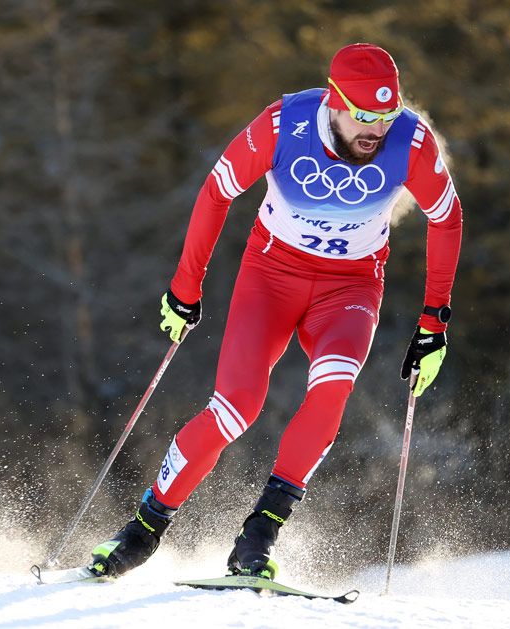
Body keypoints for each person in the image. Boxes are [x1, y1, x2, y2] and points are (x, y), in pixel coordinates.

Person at [88, 43, 462, 580]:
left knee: (334, 385)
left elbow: (447, 220)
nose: (375, 130)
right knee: (235, 407)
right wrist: (184, 287)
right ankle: (142, 531)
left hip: (351, 286)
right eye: (362, 116)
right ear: (334, 102)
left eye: (385, 116)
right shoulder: (284, 123)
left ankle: (257, 538)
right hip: (270, 276)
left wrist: (434, 325)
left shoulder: (411, 142)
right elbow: (218, 191)